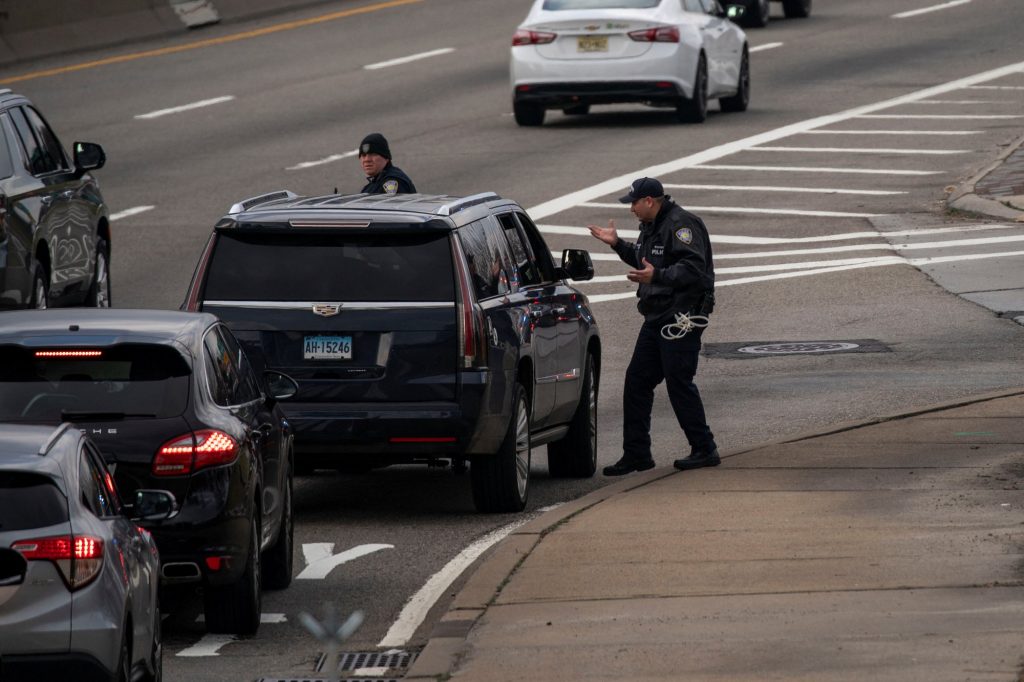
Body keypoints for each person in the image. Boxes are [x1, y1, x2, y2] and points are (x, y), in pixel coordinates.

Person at [587, 177, 718, 475]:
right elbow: (645, 260)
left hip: (681, 318)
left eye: (634, 202)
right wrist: (618, 245)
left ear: (650, 201)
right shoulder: (652, 225)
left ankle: (705, 448)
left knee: (678, 382)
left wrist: (656, 276)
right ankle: (637, 455)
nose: (631, 208)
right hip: (657, 316)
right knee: (636, 382)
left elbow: (693, 269)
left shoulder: (681, 224)